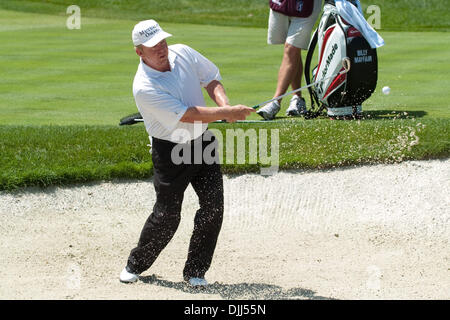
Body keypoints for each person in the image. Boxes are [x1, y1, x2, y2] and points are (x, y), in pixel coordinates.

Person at [119, 20, 255, 287]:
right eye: (152, 46)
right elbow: (188, 114)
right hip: (171, 151)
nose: (161, 49)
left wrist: (224, 105)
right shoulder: (144, 87)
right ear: (139, 52)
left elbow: (211, 77)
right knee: (167, 216)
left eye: (162, 42)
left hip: (202, 143)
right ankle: (135, 264)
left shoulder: (182, 52)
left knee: (213, 208)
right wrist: (227, 113)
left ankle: (195, 272)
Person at [257, 0, 322, 120]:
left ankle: (275, 102)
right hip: (281, 3)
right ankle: (298, 99)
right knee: (293, 50)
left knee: (291, 48)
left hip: (307, 5)